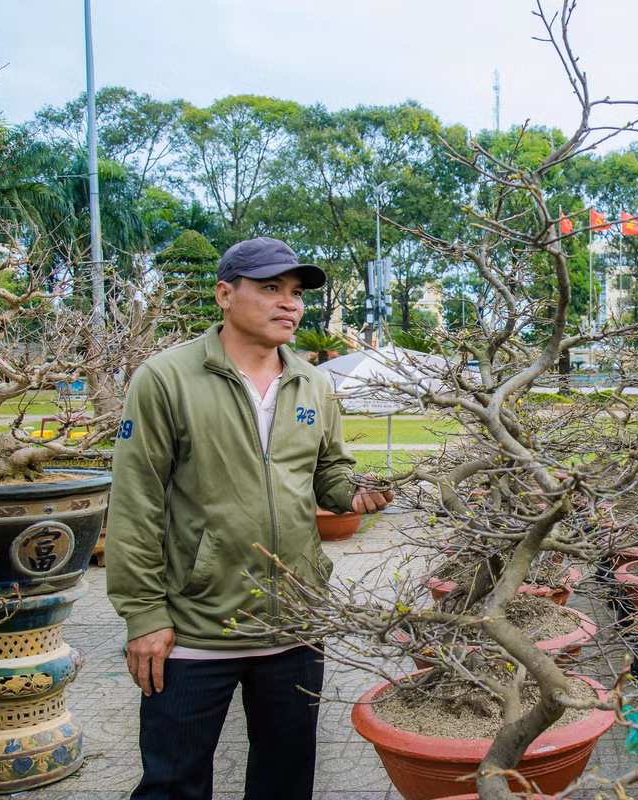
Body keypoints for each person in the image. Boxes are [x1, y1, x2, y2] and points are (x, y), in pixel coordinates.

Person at [105, 236, 392, 800]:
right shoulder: (166, 378)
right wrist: (143, 615)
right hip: (194, 628)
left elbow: (328, 473)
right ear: (224, 294)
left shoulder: (313, 382)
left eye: (296, 293)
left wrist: (355, 493)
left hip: (296, 623)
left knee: (285, 781)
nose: (291, 304)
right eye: (270, 289)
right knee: (172, 783)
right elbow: (136, 501)